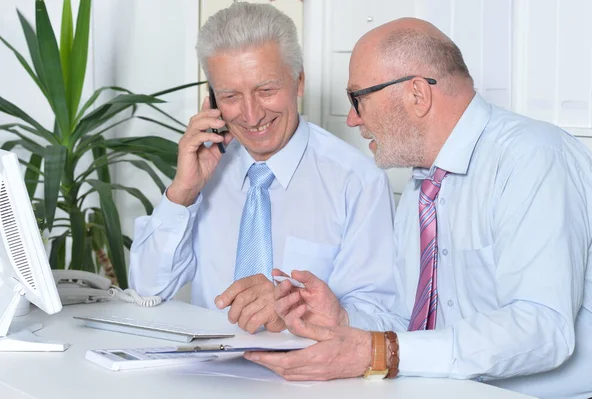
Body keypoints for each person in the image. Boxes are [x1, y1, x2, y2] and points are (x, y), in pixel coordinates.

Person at [246, 17, 592, 399]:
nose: (352, 119)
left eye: (358, 98)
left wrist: (381, 352)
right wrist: (341, 320)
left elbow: (543, 328)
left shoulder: (533, 157)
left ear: (416, 95)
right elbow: (415, 325)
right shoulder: (422, 188)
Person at [128, 2, 398, 334]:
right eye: (230, 96)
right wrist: (183, 192)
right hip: (203, 375)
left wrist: (294, 309)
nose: (252, 115)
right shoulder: (204, 172)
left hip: (310, 381)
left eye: (266, 90)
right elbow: (146, 290)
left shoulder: (358, 182)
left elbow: (380, 318)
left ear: (298, 83)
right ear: (211, 100)